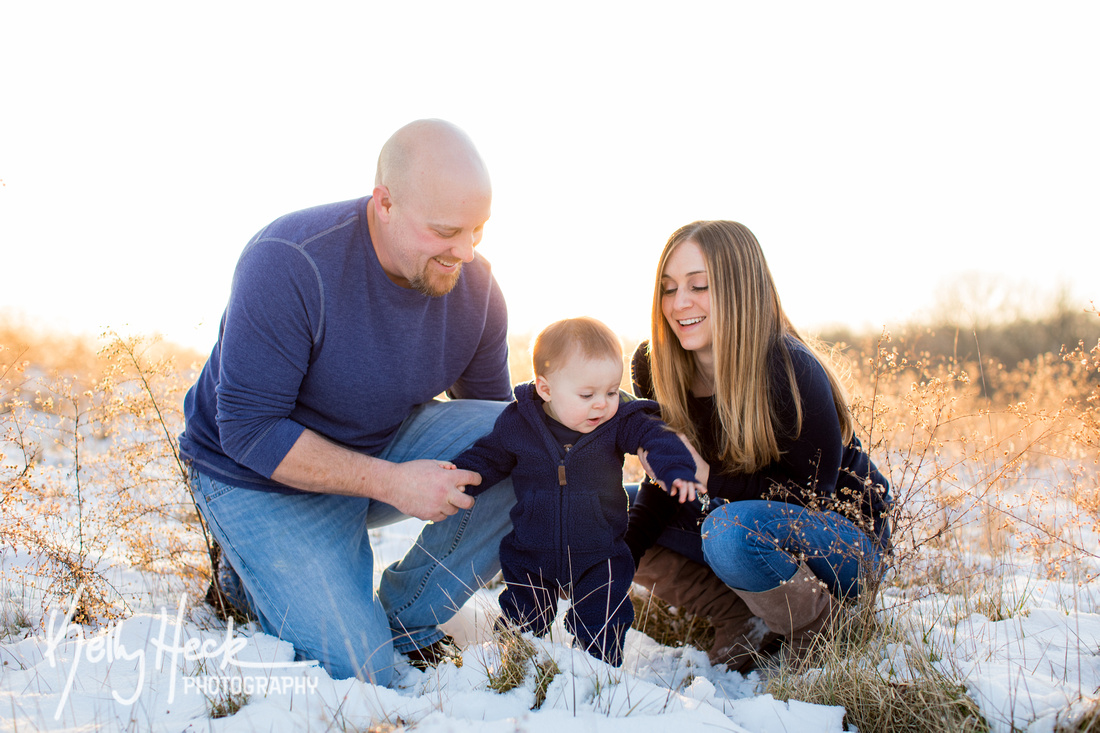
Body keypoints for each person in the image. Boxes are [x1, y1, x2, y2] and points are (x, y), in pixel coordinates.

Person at [178, 119, 517, 686]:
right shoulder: (289, 260)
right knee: (358, 673)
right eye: (445, 231)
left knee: (531, 442)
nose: (465, 251)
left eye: (478, 230)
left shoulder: (475, 284)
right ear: (384, 202)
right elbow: (249, 431)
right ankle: (248, 575)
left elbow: (499, 439)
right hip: (256, 475)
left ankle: (407, 620)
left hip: (380, 447)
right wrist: (392, 482)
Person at [625, 220, 892, 670]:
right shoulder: (656, 366)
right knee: (602, 507)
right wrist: (619, 557)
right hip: (730, 520)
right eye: (668, 289)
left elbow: (809, 499)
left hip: (840, 542)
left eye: (699, 286)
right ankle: (743, 620)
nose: (679, 303)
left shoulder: (790, 370)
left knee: (730, 532)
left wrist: (707, 476)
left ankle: (822, 631)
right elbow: (667, 486)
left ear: (741, 288)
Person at [450, 317, 704, 666]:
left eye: (612, 391)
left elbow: (654, 434)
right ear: (546, 389)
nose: (602, 403)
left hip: (599, 550)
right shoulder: (519, 423)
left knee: (603, 618)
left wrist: (675, 469)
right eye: (587, 395)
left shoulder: (616, 422)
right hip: (531, 549)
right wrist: (461, 476)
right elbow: (489, 456)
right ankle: (509, 664)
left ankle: (597, 673)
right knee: (522, 615)